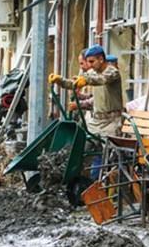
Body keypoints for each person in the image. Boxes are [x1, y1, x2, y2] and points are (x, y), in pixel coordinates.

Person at [49, 44, 123, 179]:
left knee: (110, 159)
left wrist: (86, 80)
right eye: (88, 61)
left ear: (101, 59)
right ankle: (79, 181)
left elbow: (101, 80)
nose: (89, 65)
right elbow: (75, 83)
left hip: (111, 122)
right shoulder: (92, 73)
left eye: (92, 61)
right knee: (81, 150)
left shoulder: (112, 72)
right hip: (95, 122)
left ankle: (111, 189)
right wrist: (60, 81)